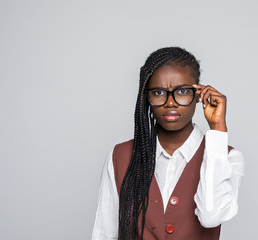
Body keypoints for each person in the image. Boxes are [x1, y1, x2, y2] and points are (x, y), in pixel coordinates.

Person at [91, 47, 245, 240]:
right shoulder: (120, 156)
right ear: (146, 98)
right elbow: (104, 233)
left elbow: (210, 216)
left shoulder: (227, 157)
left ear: (198, 94)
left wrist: (217, 130)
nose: (170, 102)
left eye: (182, 91)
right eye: (158, 92)